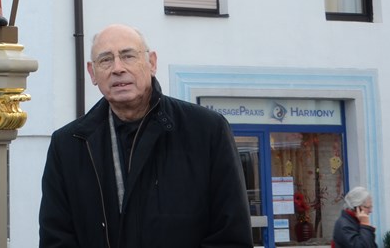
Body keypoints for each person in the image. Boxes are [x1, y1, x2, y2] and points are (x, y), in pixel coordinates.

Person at [38, 24, 253, 247]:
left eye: (128, 56)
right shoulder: (69, 144)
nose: (118, 68)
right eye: (106, 60)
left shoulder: (207, 130)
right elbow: (56, 238)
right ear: (92, 73)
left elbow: (231, 235)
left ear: (152, 63)